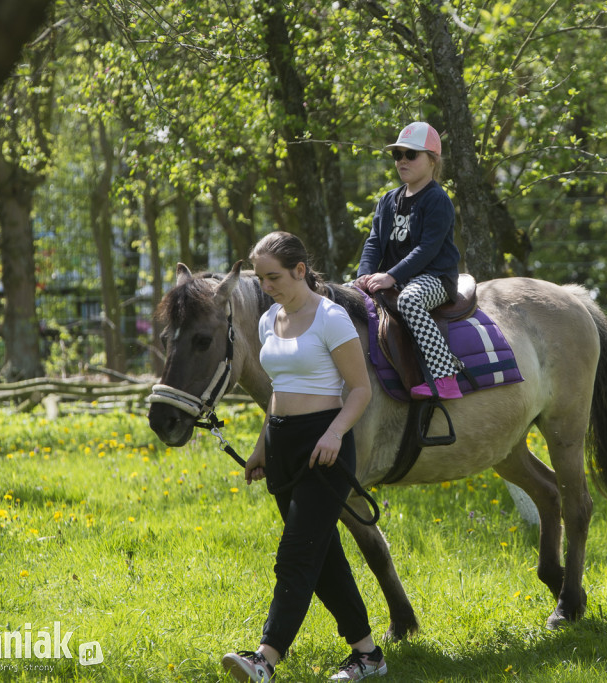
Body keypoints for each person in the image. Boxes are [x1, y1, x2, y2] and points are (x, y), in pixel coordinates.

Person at [222, 231, 386, 682]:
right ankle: (368, 654)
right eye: (260, 277)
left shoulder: (331, 319)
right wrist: (261, 447)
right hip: (282, 445)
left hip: (324, 447)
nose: (266, 286)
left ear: (299, 270)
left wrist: (335, 434)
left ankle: (265, 658)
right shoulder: (269, 319)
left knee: (296, 554)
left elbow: (360, 389)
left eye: (273, 276)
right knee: (323, 554)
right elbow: (278, 392)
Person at [354, 121, 463, 400]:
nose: (402, 160)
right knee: (343, 296)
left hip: (434, 278)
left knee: (409, 300)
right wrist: (363, 275)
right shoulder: (388, 200)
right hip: (397, 278)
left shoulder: (437, 200)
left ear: (432, 160)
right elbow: (375, 242)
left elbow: (428, 249)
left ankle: (445, 376)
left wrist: (391, 276)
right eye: (397, 155)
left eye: (411, 154)